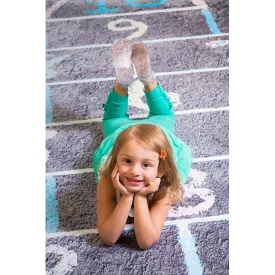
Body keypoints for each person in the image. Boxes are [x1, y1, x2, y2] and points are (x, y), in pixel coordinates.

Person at [93, 39, 192, 249]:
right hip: (122, 137)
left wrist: (139, 196)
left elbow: (146, 241)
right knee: (155, 115)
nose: (134, 172)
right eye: (127, 161)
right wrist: (128, 194)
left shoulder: (166, 186)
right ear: (116, 157)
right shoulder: (108, 176)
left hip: (159, 137)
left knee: (115, 120)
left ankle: (142, 78)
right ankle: (127, 80)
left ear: (161, 169)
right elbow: (108, 237)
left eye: (146, 165)